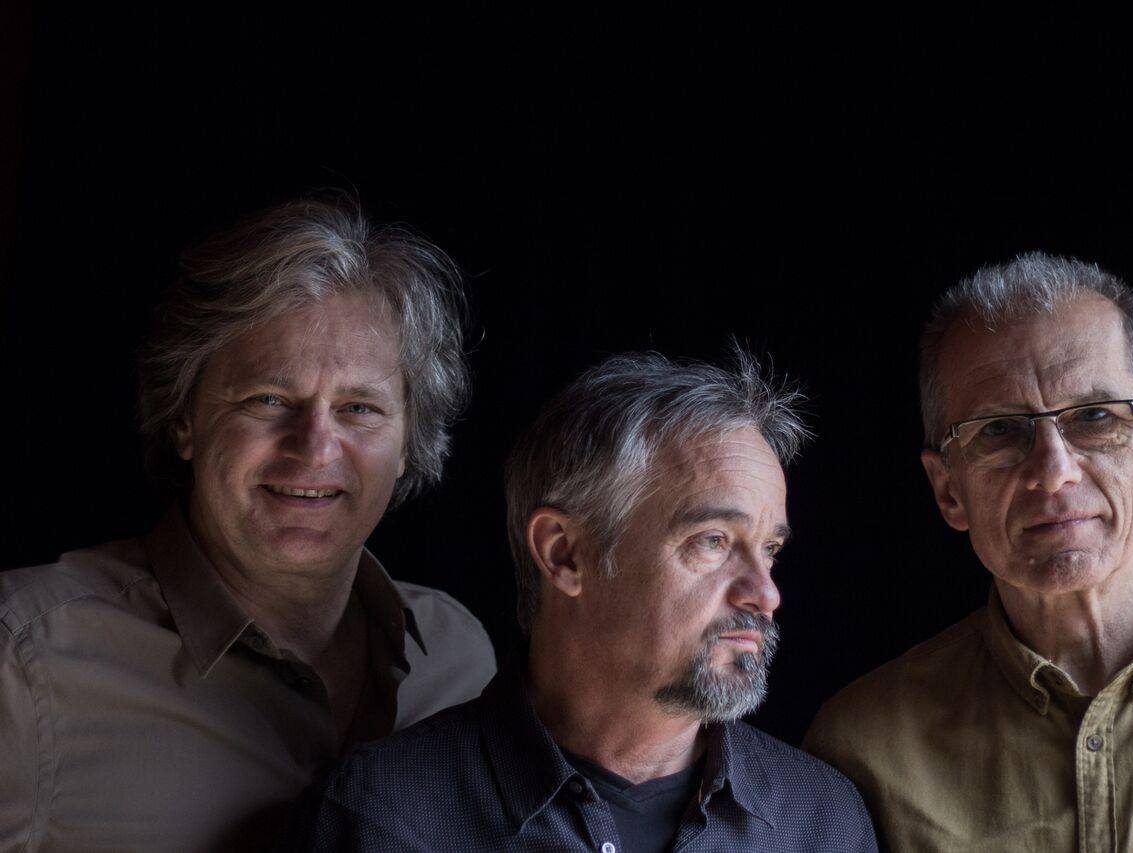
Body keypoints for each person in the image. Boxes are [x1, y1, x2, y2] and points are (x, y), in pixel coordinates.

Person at [0, 198, 496, 852]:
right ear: (185, 420)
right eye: (268, 399)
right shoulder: (22, 661)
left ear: (408, 443)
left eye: (359, 407)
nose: (314, 448)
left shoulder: (458, 659)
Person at [299, 350, 878, 852]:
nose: (766, 594)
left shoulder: (822, 822)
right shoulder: (386, 816)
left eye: (770, 549)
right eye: (713, 541)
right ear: (565, 554)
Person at [805, 253, 1133, 851]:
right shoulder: (863, 750)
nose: (1053, 472)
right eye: (1000, 430)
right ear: (948, 490)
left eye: (1095, 417)